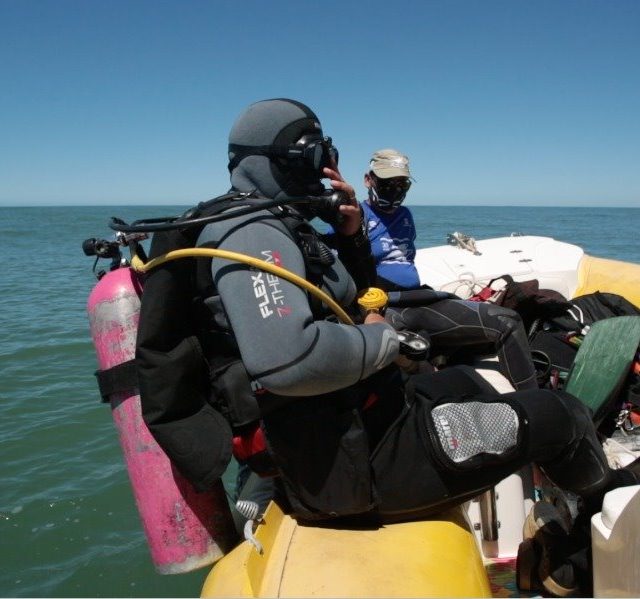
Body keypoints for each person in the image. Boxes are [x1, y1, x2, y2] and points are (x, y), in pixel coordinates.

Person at [138, 99, 640, 597]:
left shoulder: (276, 223)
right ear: (297, 157)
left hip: (361, 422)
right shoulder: (252, 235)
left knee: (469, 380)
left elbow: (355, 297)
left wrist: (351, 234)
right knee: (563, 415)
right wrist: (384, 338)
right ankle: (575, 555)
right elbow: (290, 361)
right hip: (358, 470)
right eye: (320, 154)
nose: (327, 166)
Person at [359, 148, 539, 391]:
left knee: (507, 321)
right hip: (384, 305)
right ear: (368, 180)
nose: (395, 190)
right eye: (387, 183)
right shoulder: (354, 217)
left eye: (402, 184)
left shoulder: (405, 216)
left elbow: (407, 260)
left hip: (419, 298)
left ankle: (535, 403)